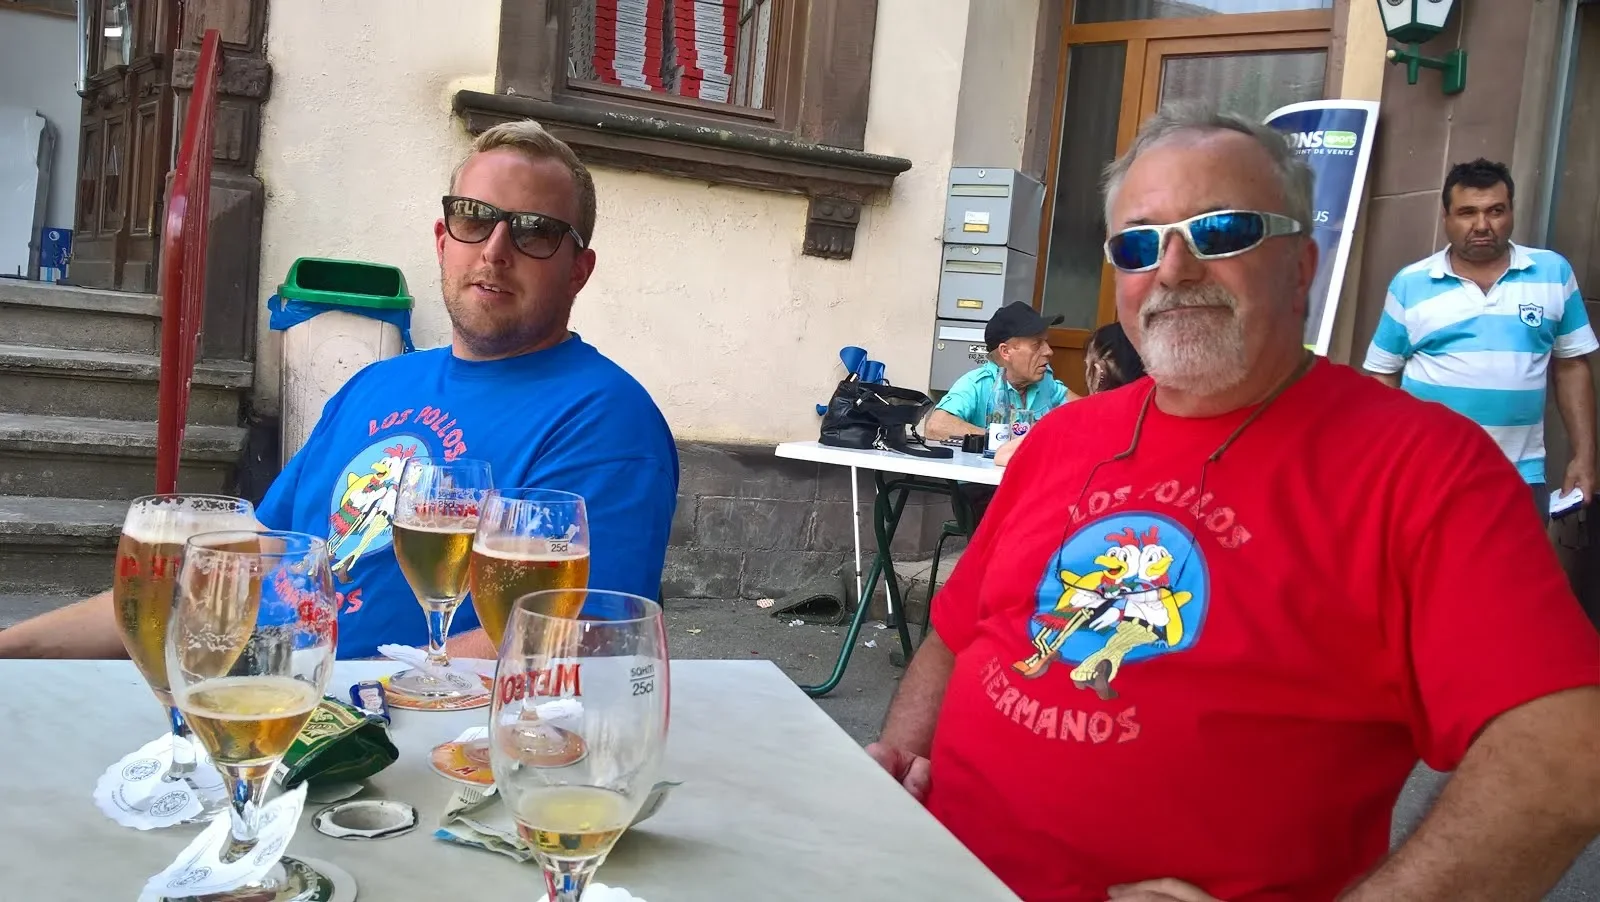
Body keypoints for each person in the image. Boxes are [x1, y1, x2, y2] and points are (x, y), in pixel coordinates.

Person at [866, 104, 1600, 902]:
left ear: (1302, 266)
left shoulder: (1424, 466)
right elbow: (956, 634)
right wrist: (896, 777)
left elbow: (1565, 752)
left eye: (1221, 232)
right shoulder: (1064, 434)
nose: (1174, 270)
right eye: (1140, 244)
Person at [0, 120, 680, 661]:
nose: (495, 249)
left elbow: (574, 642)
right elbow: (246, 564)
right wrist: (16, 648)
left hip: (378, 753)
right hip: (247, 701)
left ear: (579, 270)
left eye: (535, 232)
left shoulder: (604, 418)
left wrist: (327, 709)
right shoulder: (377, 385)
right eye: (474, 218)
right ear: (443, 240)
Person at [1363, 158, 1598, 520]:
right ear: (1446, 217)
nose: (1482, 225)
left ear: (1512, 212)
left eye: (1495, 211)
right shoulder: (1410, 284)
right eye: (1467, 212)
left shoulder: (1552, 273)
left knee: (1513, 576)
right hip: (1425, 475)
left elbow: (1571, 366)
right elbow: (1383, 375)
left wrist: (1584, 456)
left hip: (1518, 476)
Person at [994, 321, 1145, 467]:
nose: (1048, 351)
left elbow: (1004, 455)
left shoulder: (1078, 422)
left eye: (1087, 365)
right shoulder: (1157, 423)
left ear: (1099, 373)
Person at [924, 301, 1072, 442]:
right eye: (1037, 344)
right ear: (1005, 351)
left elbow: (1087, 410)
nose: (1049, 351)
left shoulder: (1044, 379)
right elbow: (936, 426)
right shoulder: (977, 384)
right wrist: (1001, 439)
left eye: (1046, 342)